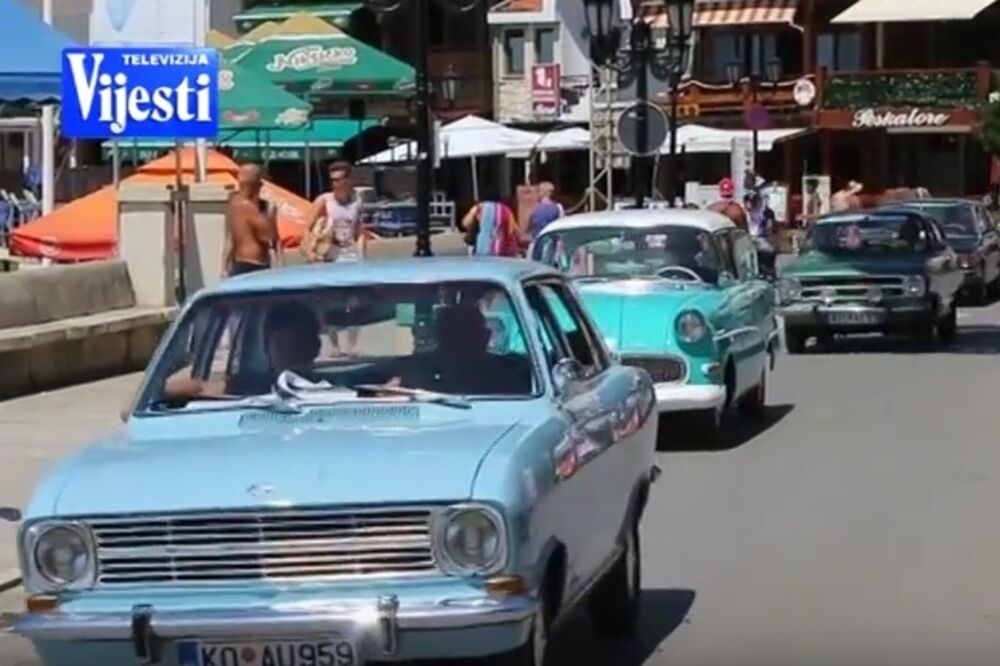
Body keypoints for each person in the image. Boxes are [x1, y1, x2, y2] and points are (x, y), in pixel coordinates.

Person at [162, 301, 322, 402]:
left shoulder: (330, 390)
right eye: (280, 343)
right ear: (266, 346)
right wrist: (159, 388)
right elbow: (201, 388)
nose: (288, 351)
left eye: (296, 343)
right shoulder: (249, 386)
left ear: (315, 346)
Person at [394, 303, 530, 395]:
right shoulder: (411, 372)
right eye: (456, 335)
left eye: (468, 333)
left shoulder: (510, 372)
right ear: (485, 336)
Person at [303, 161, 367, 355]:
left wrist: (362, 256)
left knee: (354, 302)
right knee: (330, 302)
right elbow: (307, 228)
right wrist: (310, 251)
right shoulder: (325, 201)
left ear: (348, 180)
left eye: (339, 180)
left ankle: (353, 344)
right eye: (333, 180)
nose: (336, 184)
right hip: (329, 254)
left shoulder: (357, 201)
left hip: (350, 254)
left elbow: (360, 231)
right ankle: (335, 345)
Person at [221, 164, 283, 277]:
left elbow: (275, 239)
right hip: (244, 264)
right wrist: (223, 268)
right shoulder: (237, 207)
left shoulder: (267, 207)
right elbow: (230, 239)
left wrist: (280, 264)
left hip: (257, 264)